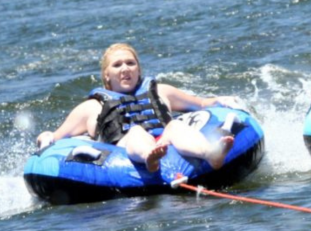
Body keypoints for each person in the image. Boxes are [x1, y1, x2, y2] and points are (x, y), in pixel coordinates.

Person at [35, 43, 241, 173]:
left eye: (130, 63)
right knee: (136, 132)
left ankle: (211, 154)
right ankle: (149, 158)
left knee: (176, 127)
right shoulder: (91, 107)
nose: (125, 69)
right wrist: (45, 136)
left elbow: (202, 104)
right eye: (117, 65)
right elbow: (56, 137)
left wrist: (223, 100)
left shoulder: (161, 91)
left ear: (138, 69)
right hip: (124, 149)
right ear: (106, 75)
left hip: (165, 142)